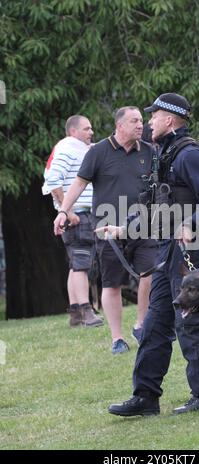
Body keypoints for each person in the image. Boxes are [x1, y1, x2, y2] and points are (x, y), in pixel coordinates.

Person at [104, 93, 199, 416]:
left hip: (191, 250)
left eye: (154, 116)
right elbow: (152, 202)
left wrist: (191, 224)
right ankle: (145, 397)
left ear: (170, 120)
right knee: (155, 324)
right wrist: (125, 227)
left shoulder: (190, 155)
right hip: (166, 250)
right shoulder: (165, 153)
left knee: (190, 320)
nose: (149, 122)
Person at [54, 107, 156, 354]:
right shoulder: (98, 151)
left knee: (150, 274)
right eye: (134, 121)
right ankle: (117, 338)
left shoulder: (150, 152)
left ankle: (141, 325)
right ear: (120, 126)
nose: (140, 125)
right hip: (107, 227)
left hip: (141, 225)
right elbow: (78, 184)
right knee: (111, 284)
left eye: (141, 120)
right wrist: (63, 211)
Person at [43, 115, 103, 327]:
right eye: (87, 129)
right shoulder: (68, 148)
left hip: (78, 214)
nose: (91, 132)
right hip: (78, 214)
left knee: (75, 264)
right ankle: (87, 311)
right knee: (81, 265)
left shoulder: (74, 148)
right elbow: (52, 180)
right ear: (74, 132)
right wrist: (66, 210)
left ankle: (76, 312)